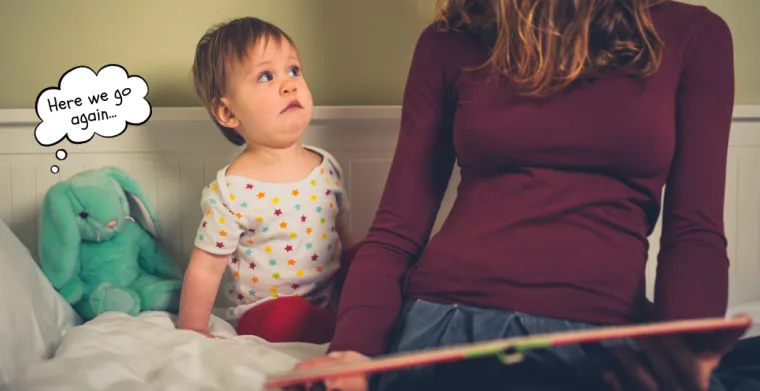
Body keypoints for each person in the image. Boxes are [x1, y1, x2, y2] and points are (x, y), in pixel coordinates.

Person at [295, 0, 743, 390]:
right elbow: (396, 231)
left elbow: (694, 235)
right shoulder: (448, 41)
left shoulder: (695, 36)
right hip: (449, 323)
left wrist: (687, 355)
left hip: (604, 334)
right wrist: (352, 352)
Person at [176, 17, 356, 344]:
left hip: (329, 301)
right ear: (229, 113)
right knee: (284, 316)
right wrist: (193, 330)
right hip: (265, 313)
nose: (289, 84)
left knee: (373, 265)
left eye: (294, 70)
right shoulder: (232, 192)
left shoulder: (326, 165)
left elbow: (344, 237)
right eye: (265, 76)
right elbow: (205, 270)